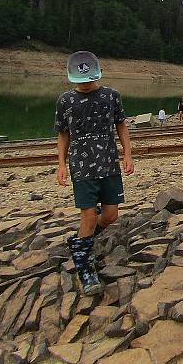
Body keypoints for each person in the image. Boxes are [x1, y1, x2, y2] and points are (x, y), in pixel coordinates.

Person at [55, 51, 134, 295]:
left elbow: (121, 125)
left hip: (109, 164)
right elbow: (62, 134)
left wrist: (128, 154)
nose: (85, 84)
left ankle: (81, 240)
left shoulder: (112, 96)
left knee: (110, 215)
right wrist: (61, 164)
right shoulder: (65, 101)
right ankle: (85, 267)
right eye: (81, 81)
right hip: (82, 167)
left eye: (88, 79)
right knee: (88, 216)